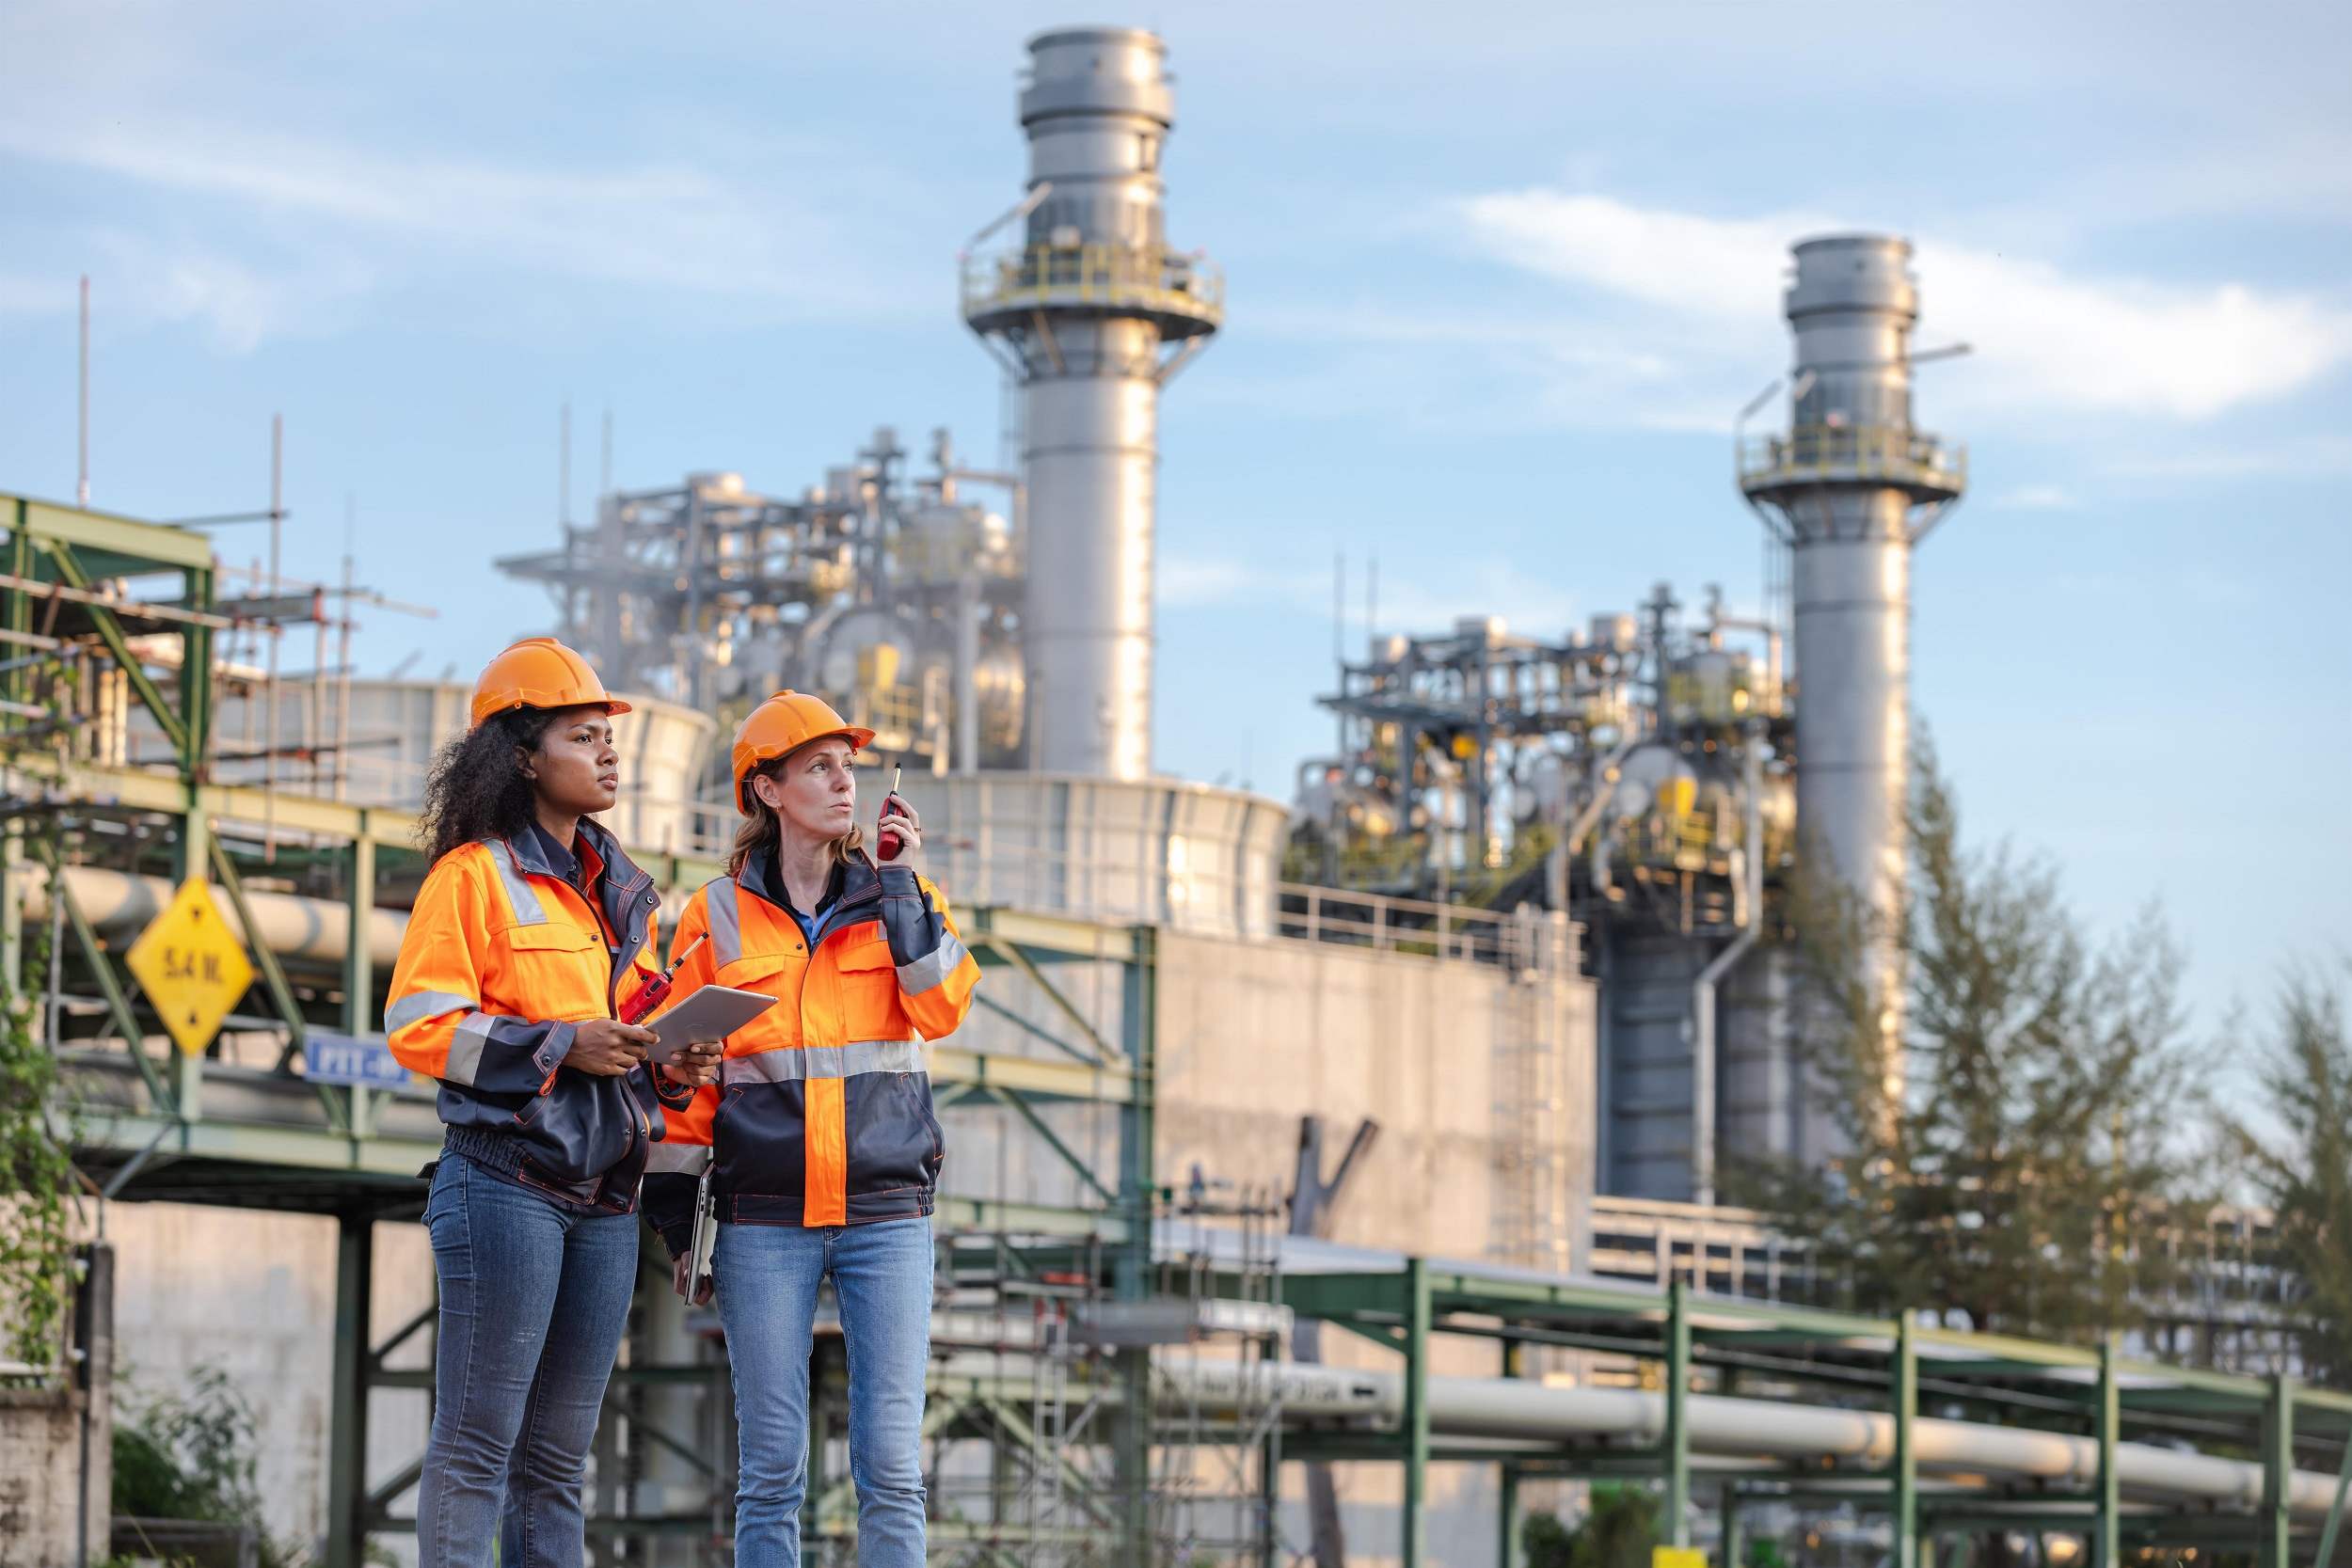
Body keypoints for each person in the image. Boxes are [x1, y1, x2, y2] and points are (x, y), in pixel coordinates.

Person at [386, 637, 721, 1568]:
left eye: (612, 736)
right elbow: (419, 1024)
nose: (612, 751)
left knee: (555, 1462)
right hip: (505, 1183)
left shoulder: (623, 895)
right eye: (586, 734)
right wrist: (557, 1041)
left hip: (605, 1198)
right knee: (477, 1443)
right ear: (525, 754)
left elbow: (637, 1022)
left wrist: (672, 1063)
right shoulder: (472, 876)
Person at [643, 690, 980, 1568]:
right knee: (770, 1470)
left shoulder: (900, 896)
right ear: (767, 789)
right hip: (763, 1222)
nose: (845, 782)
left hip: (887, 1218)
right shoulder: (713, 915)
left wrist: (903, 884)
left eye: (850, 765)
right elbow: (682, 1080)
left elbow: (943, 1006)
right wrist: (681, 1220)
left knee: (891, 1468)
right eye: (821, 766)